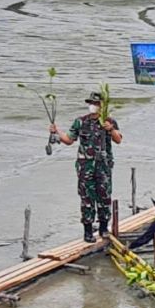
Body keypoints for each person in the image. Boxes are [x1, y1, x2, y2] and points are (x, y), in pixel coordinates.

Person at [50, 90, 122, 243]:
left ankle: (103, 228)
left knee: (104, 197)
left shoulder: (109, 121)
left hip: (103, 167)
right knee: (86, 198)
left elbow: (118, 139)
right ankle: (88, 231)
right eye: (91, 103)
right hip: (85, 166)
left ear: (102, 106)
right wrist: (56, 132)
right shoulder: (80, 122)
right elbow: (69, 139)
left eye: (96, 104)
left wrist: (110, 129)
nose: (93, 106)